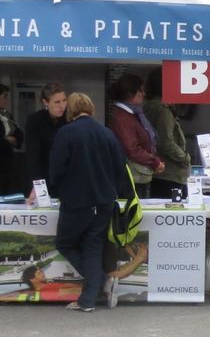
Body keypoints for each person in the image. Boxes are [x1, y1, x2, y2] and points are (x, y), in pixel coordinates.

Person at [46, 93, 132, 311]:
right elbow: (120, 167)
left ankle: (101, 280)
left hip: (76, 202)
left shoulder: (65, 133)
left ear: (71, 110)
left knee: (64, 243)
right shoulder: (106, 133)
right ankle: (88, 300)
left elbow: (56, 170)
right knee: (93, 246)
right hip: (104, 201)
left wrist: (55, 191)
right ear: (91, 108)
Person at [108, 73, 165, 198]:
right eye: (141, 90)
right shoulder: (123, 118)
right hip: (133, 177)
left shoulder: (132, 115)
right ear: (130, 93)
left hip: (139, 174)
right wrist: (154, 162)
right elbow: (132, 149)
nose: (144, 94)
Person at [142, 68, 191, 200]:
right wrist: (185, 157)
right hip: (171, 173)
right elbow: (166, 141)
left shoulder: (147, 106)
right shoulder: (163, 110)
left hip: (158, 172)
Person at [21, 83, 66, 199]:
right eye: (57, 102)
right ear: (45, 102)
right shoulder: (35, 121)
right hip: (43, 174)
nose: (62, 106)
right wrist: (37, 185)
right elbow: (33, 155)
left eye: (64, 100)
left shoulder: (70, 119)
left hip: (66, 177)